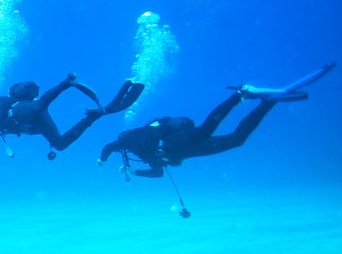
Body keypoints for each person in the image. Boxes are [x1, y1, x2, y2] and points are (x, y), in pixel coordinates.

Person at [99, 62, 336, 178]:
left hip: (179, 145)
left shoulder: (129, 139)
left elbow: (109, 146)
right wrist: (130, 171)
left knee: (212, 129)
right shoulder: (141, 152)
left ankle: (240, 95)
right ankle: (265, 101)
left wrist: (105, 159)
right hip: (185, 150)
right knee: (234, 138)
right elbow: (158, 173)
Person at [0, 73, 144, 159]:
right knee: (59, 144)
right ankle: (91, 116)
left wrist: (64, 85)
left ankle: (84, 108)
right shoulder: (9, 109)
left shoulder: (9, 109)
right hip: (31, 121)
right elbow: (39, 105)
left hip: (25, 118)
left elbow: (39, 104)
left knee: (40, 109)